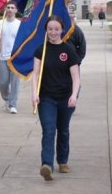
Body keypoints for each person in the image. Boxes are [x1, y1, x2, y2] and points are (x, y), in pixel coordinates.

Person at [32, 15, 80, 181]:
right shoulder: (41, 50)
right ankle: (47, 165)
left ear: (62, 30)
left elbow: (76, 77)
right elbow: (36, 74)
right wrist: (34, 93)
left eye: (56, 29)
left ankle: (63, 160)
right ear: (46, 30)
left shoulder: (69, 50)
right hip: (46, 98)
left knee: (63, 130)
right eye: (50, 29)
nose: (53, 32)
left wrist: (74, 95)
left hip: (66, 99)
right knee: (49, 130)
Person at [0, 1, 21, 114]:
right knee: (2, 83)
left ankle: (13, 104)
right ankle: (7, 99)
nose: (9, 9)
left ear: (15, 10)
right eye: (8, 7)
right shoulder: (0, 23)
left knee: (15, 83)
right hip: (3, 58)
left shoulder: (19, 24)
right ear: (5, 10)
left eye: (12, 7)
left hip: (15, 58)